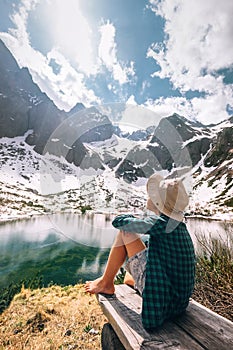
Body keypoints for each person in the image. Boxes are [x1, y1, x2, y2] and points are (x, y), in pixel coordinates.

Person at [85, 173, 196, 330]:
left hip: (166, 303)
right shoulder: (177, 224)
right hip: (178, 301)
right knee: (130, 276)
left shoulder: (161, 223)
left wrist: (129, 215)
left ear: (159, 202)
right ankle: (122, 281)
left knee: (125, 232)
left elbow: (119, 222)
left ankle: (106, 283)